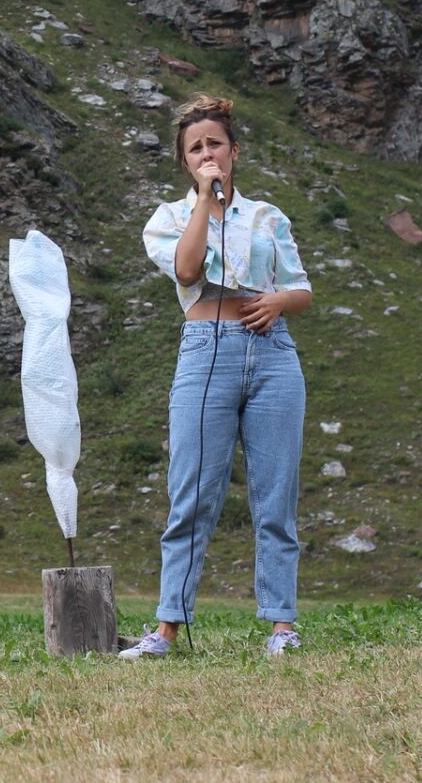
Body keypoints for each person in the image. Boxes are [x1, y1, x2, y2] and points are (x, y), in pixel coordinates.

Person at [123, 94, 312, 660]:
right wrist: (205, 200)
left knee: (276, 495)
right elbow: (185, 269)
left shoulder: (267, 217)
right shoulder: (171, 217)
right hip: (207, 350)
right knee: (193, 493)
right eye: (195, 148)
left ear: (234, 151)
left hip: (272, 351)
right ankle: (166, 630)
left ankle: (282, 628)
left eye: (215, 144)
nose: (207, 153)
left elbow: (303, 288)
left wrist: (279, 300)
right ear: (186, 161)